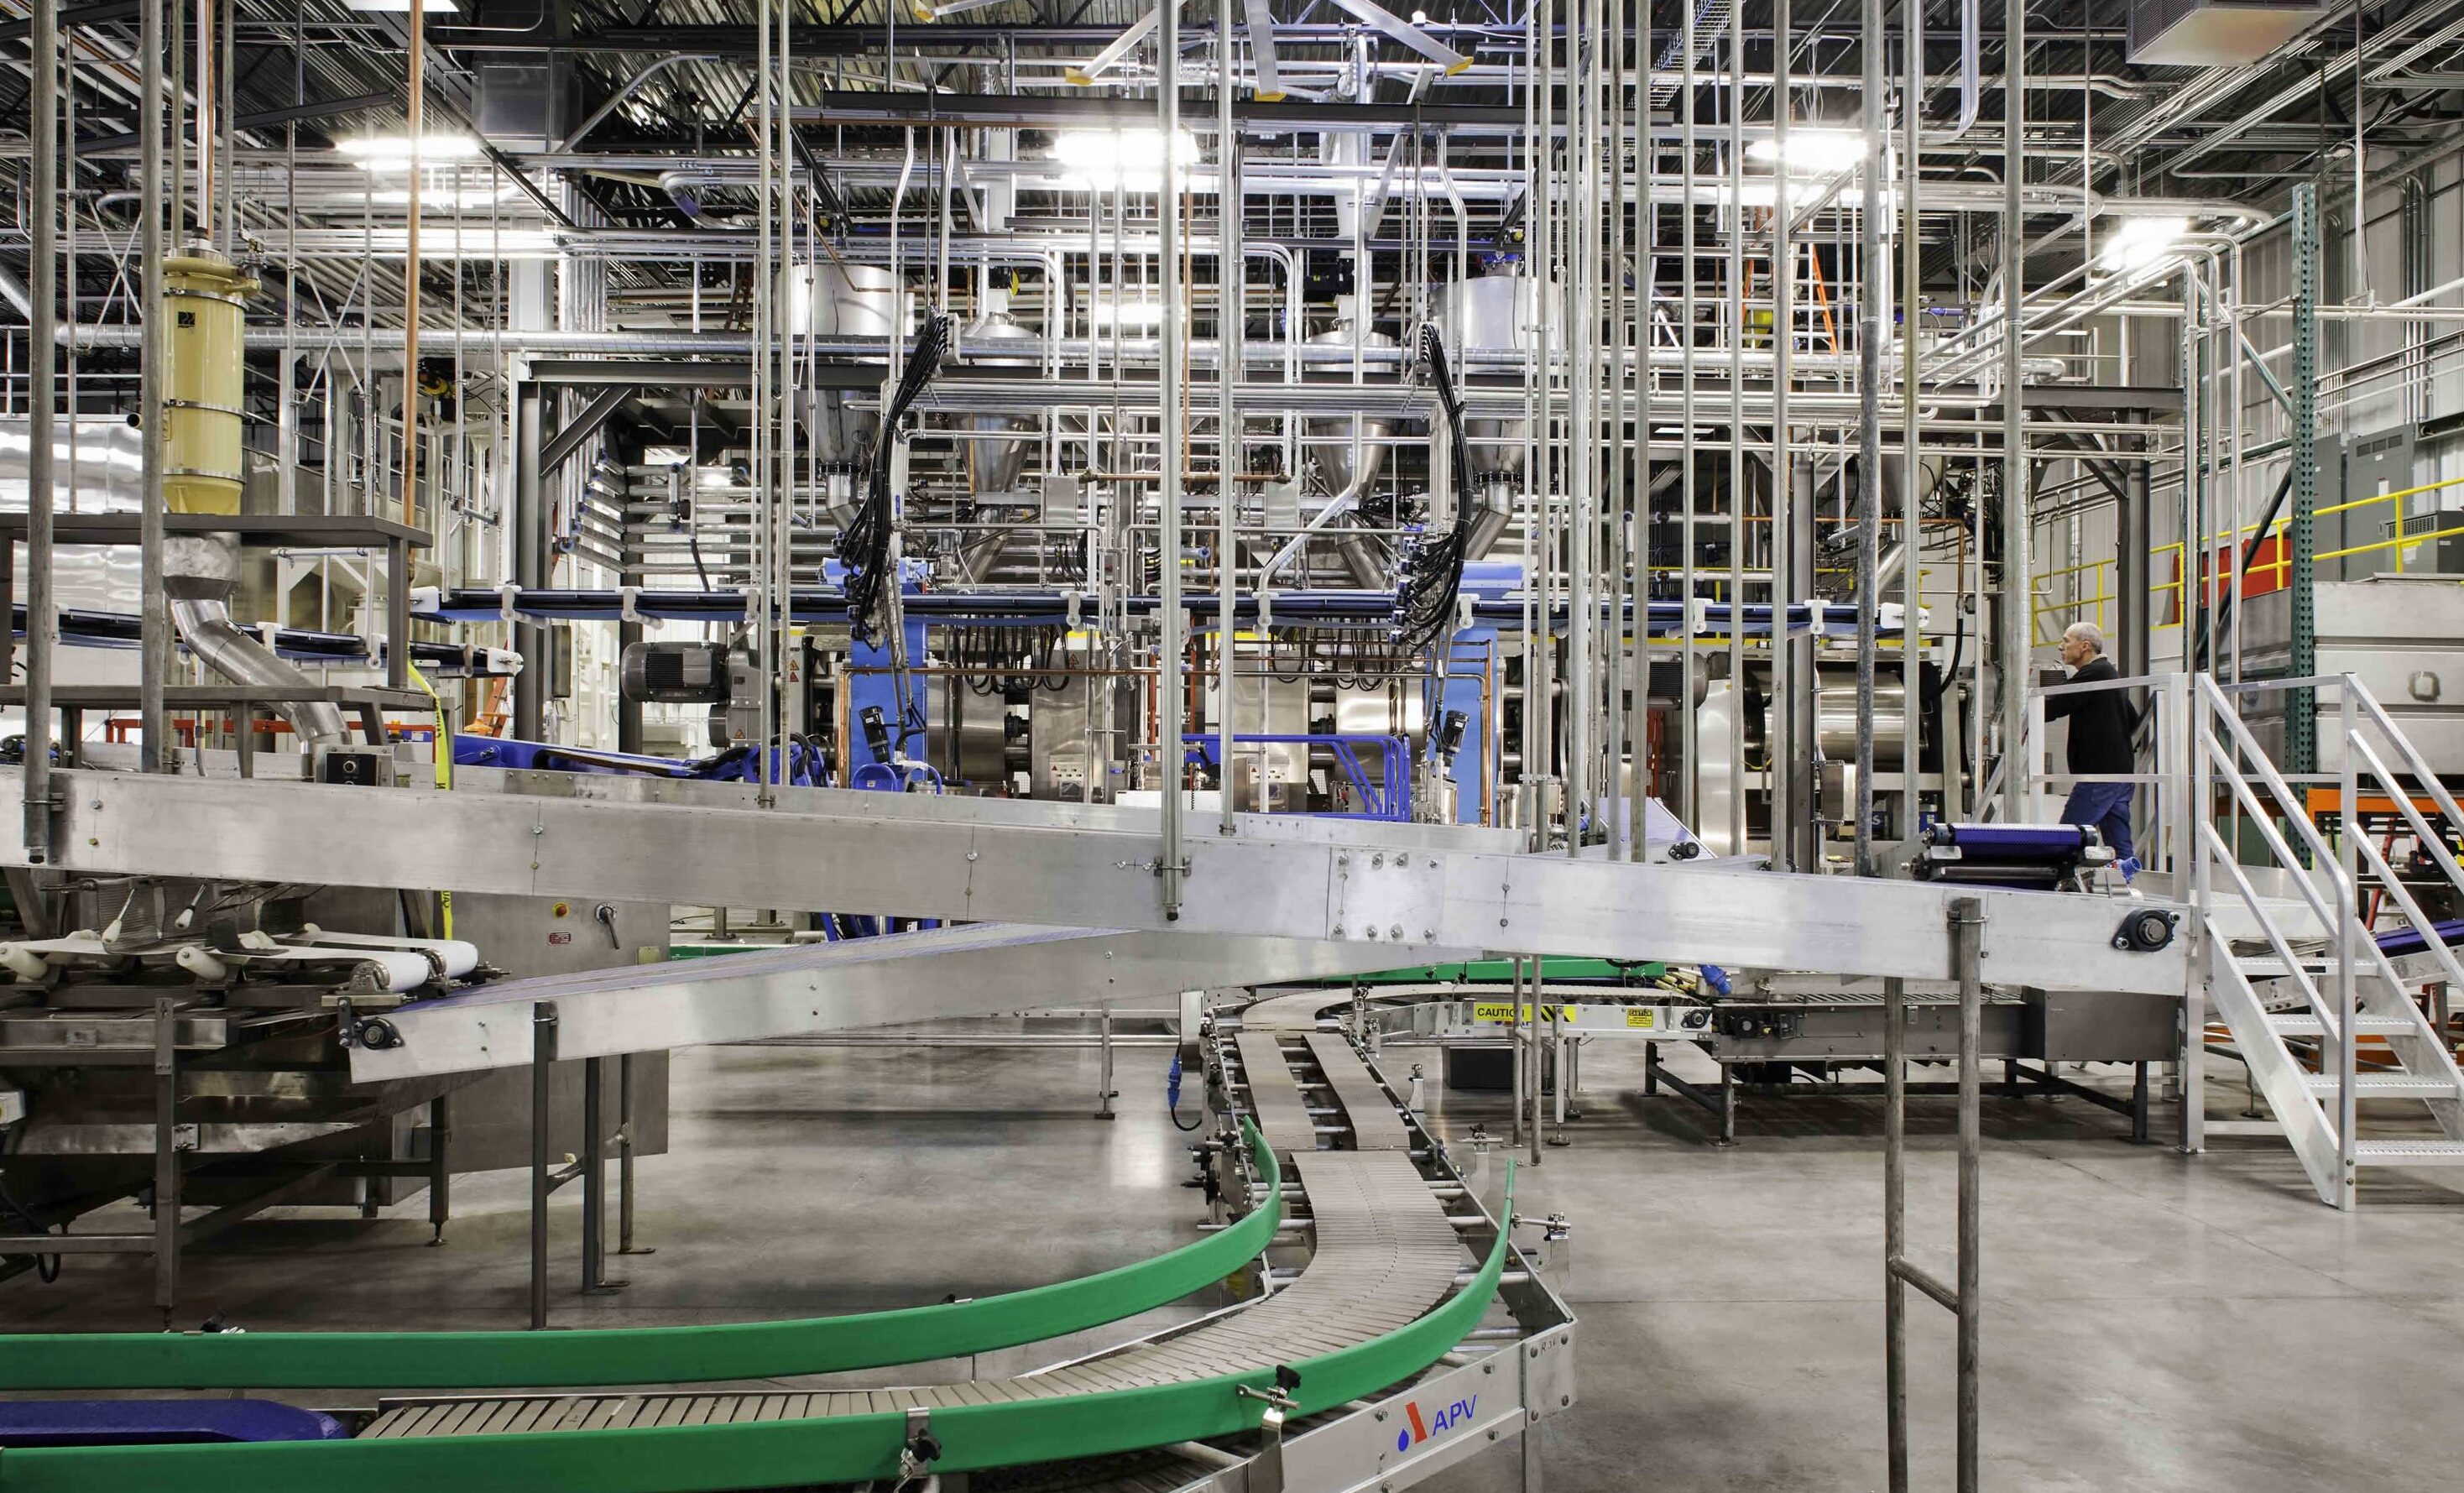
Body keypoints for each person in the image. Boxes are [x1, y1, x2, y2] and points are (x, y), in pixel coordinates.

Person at [2043, 621, 2137, 877]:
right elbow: (2133, 718)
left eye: (2066, 641)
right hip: (2120, 774)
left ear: (2085, 646)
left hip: (2098, 776)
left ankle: (2054, 884)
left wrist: (2024, 705)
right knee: (2119, 840)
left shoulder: (2094, 674)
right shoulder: (2109, 674)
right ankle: (2125, 879)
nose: (2061, 647)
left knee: (2067, 836)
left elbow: (2055, 706)